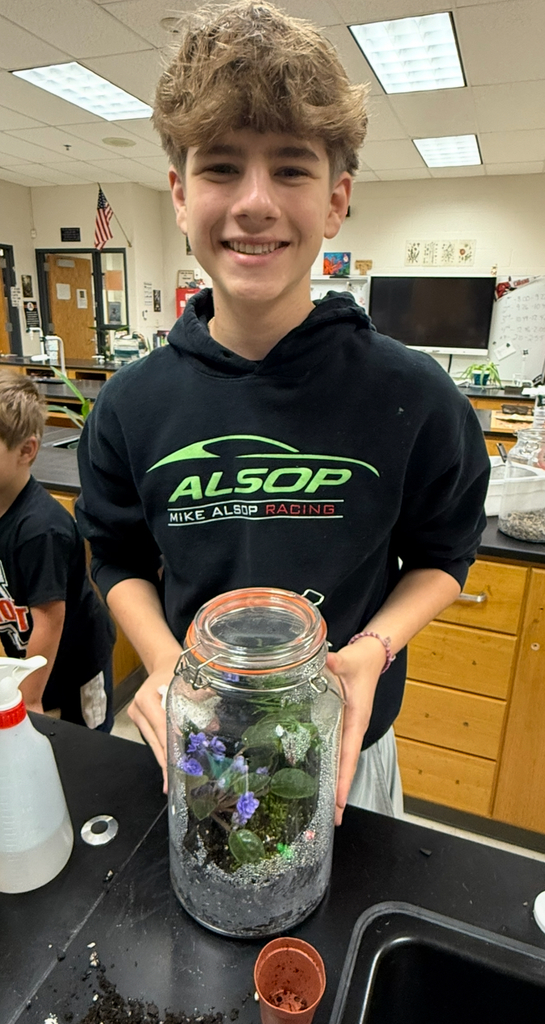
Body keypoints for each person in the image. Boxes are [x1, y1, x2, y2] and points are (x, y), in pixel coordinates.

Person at [76, 1, 489, 820]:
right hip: (198, 744)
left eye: (291, 169)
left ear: (335, 200)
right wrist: (162, 662)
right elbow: (116, 558)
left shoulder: (415, 397)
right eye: (221, 168)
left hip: (343, 748)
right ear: (179, 195)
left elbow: (444, 557)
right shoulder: (130, 404)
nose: (255, 202)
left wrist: (372, 650)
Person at [0, 370, 116, 730]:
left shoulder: (41, 530)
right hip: (31, 652)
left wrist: (30, 696)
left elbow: (50, 619)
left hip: (76, 664)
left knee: (86, 742)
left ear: (26, 450)